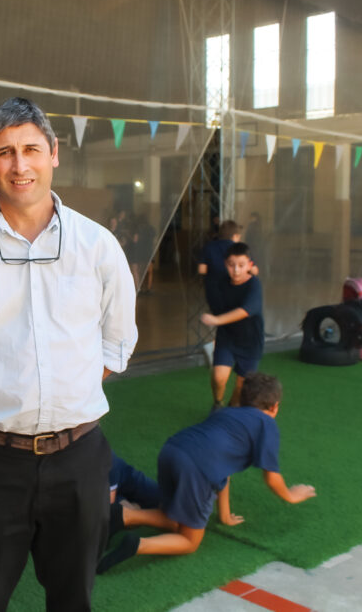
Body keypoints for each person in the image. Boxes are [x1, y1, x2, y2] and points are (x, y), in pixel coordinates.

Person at [0, 96, 138, 611]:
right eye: (5, 152)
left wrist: (63, 396)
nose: (20, 165)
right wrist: (2, 400)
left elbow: (116, 342)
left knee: (73, 599)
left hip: (80, 460)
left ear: (54, 153)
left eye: (31, 149)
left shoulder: (99, 247)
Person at [97, 372, 316, 573]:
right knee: (190, 541)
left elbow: (224, 469)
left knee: (176, 518)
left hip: (172, 451)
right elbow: (271, 476)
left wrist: (225, 514)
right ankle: (136, 541)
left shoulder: (230, 414)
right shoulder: (266, 424)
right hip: (197, 467)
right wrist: (291, 495)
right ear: (275, 407)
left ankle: (122, 516)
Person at [200, 242, 264, 410]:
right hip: (227, 338)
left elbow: (245, 311)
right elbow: (215, 302)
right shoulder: (219, 283)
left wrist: (217, 320)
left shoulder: (254, 285)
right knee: (218, 377)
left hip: (251, 342)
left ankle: (231, 410)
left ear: (250, 265)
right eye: (231, 265)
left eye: (241, 265)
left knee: (241, 387)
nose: (236, 270)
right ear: (225, 265)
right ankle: (218, 404)